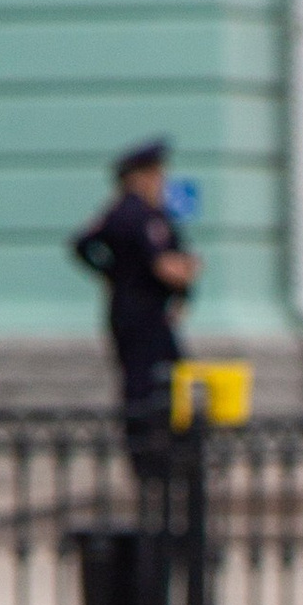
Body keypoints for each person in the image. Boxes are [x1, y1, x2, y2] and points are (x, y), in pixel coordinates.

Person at [70, 139, 199, 430]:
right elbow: (83, 244)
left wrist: (183, 288)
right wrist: (113, 274)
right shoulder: (127, 213)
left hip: (157, 313)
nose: (160, 181)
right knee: (142, 386)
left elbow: (178, 258)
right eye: (154, 175)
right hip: (135, 313)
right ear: (136, 178)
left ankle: (172, 450)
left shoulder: (157, 214)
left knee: (173, 380)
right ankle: (148, 455)